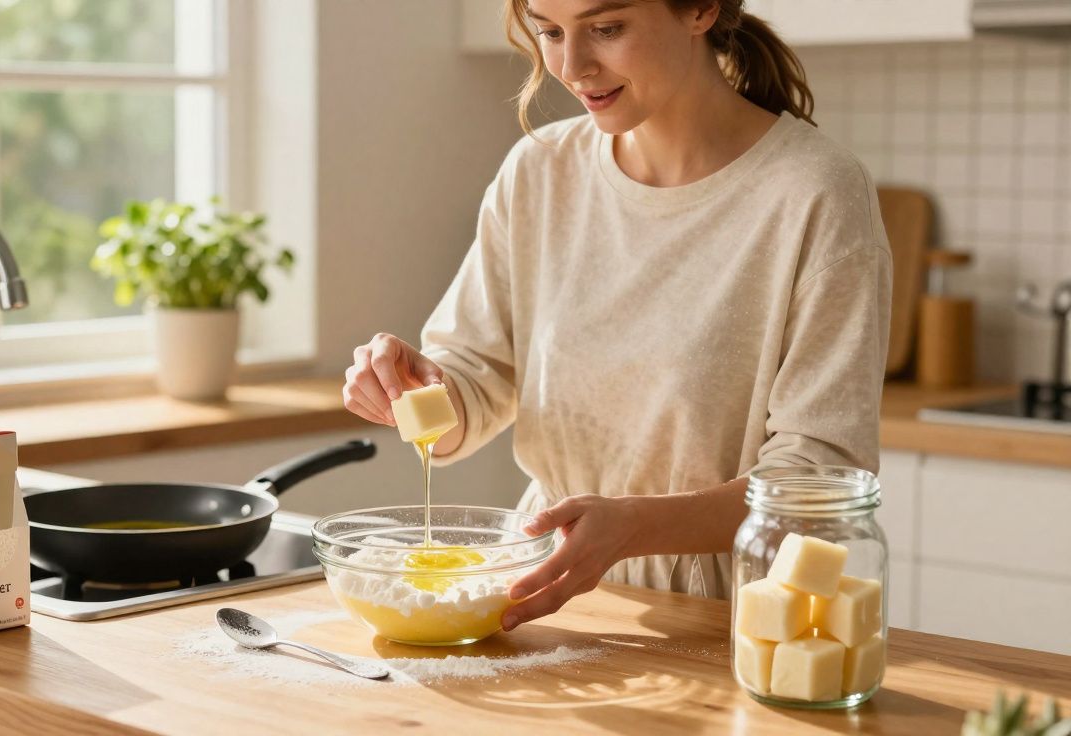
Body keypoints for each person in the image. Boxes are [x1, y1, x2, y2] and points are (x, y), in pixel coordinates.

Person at [342, 0, 891, 633]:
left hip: (730, 615)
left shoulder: (816, 191)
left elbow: (817, 480)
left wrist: (635, 528)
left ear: (701, 10)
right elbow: (478, 373)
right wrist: (416, 390)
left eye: (607, 28)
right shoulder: (539, 171)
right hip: (546, 597)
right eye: (550, 32)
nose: (572, 67)